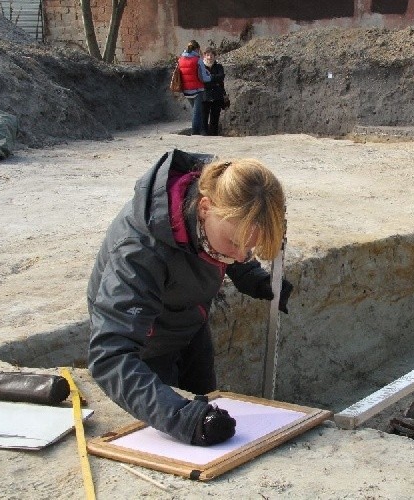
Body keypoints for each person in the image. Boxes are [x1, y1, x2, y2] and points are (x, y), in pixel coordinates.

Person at [87, 149, 293, 446]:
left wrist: (255, 279)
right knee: (179, 429)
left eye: (248, 250)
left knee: (209, 405)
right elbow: (110, 354)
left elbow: (235, 245)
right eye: (234, 244)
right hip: (147, 346)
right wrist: (183, 418)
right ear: (205, 208)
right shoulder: (140, 250)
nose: (237, 256)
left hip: (191, 319)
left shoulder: (219, 205)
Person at [178, 40, 212, 135]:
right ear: (197, 49)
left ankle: (202, 131)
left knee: (197, 111)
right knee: (197, 113)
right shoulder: (198, 60)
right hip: (197, 90)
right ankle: (195, 133)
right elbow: (203, 78)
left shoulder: (181, 59)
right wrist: (211, 77)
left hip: (186, 90)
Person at [201, 48, 227, 136]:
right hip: (205, 96)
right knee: (204, 117)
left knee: (215, 118)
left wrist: (209, 78)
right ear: (204, 56)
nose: (209, 57)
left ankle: (214, 135)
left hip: (217, 96)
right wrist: (214, 79)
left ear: (215, 56)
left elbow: (221, 77)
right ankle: (204, 135)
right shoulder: (201, 67)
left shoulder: (219, 66)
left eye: (211, 55)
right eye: (208, 55)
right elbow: (202, 80)